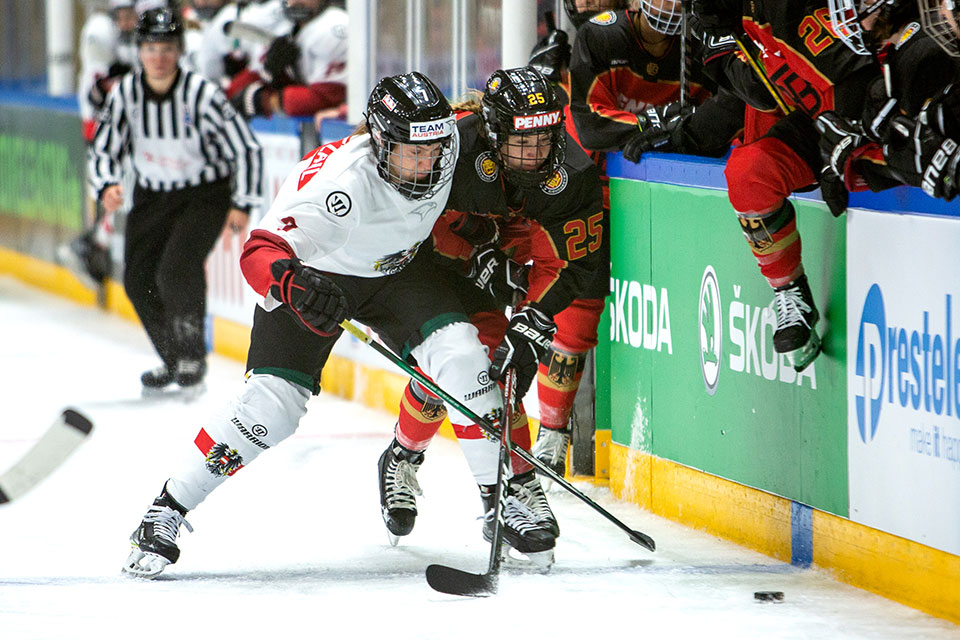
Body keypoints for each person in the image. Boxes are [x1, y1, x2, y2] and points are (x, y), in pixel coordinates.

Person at [120, 71, 522, 578]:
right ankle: (166, 510)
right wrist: (295, 286)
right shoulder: (342, 187)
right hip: (319, 276)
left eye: (434, 150)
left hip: (398, 273)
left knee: (462, 355)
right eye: (409, 152)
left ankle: (500, 503)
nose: (425, 164)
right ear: (378, 141)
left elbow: (495, 120)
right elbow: (258, 253)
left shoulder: (446, 143)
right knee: (271, 410)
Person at [382, 67, 605, 566]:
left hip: (503, 264)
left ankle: (429, 463)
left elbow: (567, 265)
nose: (536, 153)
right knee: (464, 362)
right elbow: (402, 216)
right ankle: (503, 485)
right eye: (522, 141)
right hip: (429, 266)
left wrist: (534, 318)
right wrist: (474, 251)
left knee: (480, 369)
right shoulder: (451, 145)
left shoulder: (573, 175)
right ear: (492, 131)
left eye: (545, 138)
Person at [691, 0, 880, 373]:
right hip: (818, 123)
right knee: (747, 174)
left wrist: (839, 148)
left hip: (870, 119)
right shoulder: (747, 11)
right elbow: (759, 91)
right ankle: (788, 290)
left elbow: (859, 73)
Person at [89, 7, 263, 392]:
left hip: (204, 195)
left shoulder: (201, 94)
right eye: (150, 48)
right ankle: (172, 357)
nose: (158, 57)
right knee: (135, 278)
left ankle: (191, 356)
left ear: (180, 50)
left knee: (176, 268)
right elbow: (103, 148)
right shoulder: (127, 94)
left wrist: (242, 201)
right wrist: (106, 185)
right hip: (152, 195)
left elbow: (246, 147)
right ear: (139, 51)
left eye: (167, 48)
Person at [816, 0, 958, 197]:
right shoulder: (907, 50)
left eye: (863, 1)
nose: (854, 13)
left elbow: (927, 154)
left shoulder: (921, 54)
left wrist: (866, 159)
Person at [226, 0, 347, 119]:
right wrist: (270, 74)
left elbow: (328, 98)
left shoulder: (336, 27)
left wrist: (269, 100)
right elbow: (237, 89)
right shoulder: (284, 26)